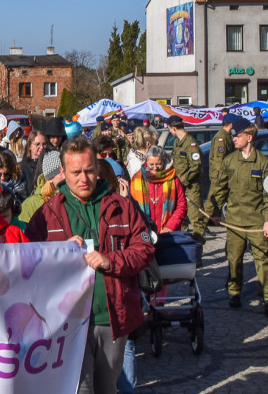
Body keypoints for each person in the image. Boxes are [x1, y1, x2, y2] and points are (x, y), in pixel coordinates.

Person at [30, 137, 154, 394]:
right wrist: (59, 252)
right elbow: (29, 261)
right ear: (63, 171)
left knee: (107, 387)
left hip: (112, 317)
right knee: (81, 388)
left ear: (97, 168)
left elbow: (145, 250)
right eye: (76, 172)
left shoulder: (122, 207)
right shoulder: (47, 214)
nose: (84, 178)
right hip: (67, 322)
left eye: (89, 170)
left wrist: (111, 261)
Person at [203, 117, 268, 315]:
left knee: (263, 261)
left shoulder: (263, 163)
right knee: (234, 259)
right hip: (234, 220)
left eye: (239, 136)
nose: (234, 138)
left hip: (257, 221)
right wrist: (215, 213)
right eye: (234, 136)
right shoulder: (229, 161)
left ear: (249, 138)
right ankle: (234, 292)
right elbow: (220, 189)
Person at [128, 145, 186, 234]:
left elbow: (181, 206)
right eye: (151, 164)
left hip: (168, 232)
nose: (155, 168)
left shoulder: (173, 180)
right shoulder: (136, 180)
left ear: (164, 162)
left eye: (158, 164)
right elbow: (131, 207)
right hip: (144, 232)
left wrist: (170, 226)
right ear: (146, 162)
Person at [165, 115, 205, 242]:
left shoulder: (191, 144)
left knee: (195, 218)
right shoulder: (177, 142)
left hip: (191, 187)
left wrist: (183, 181)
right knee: (181, 217)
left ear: (173, 128)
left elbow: (196, 166)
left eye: (169, 129)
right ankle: (184, 244)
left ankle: (198, 247)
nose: (170, 131)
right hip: (179, 186)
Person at [19, 150, 62, 225]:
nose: (66, 176)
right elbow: (23, 228)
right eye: (61, 173)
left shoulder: (71, 197)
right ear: (50, 178)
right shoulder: (30, 204)